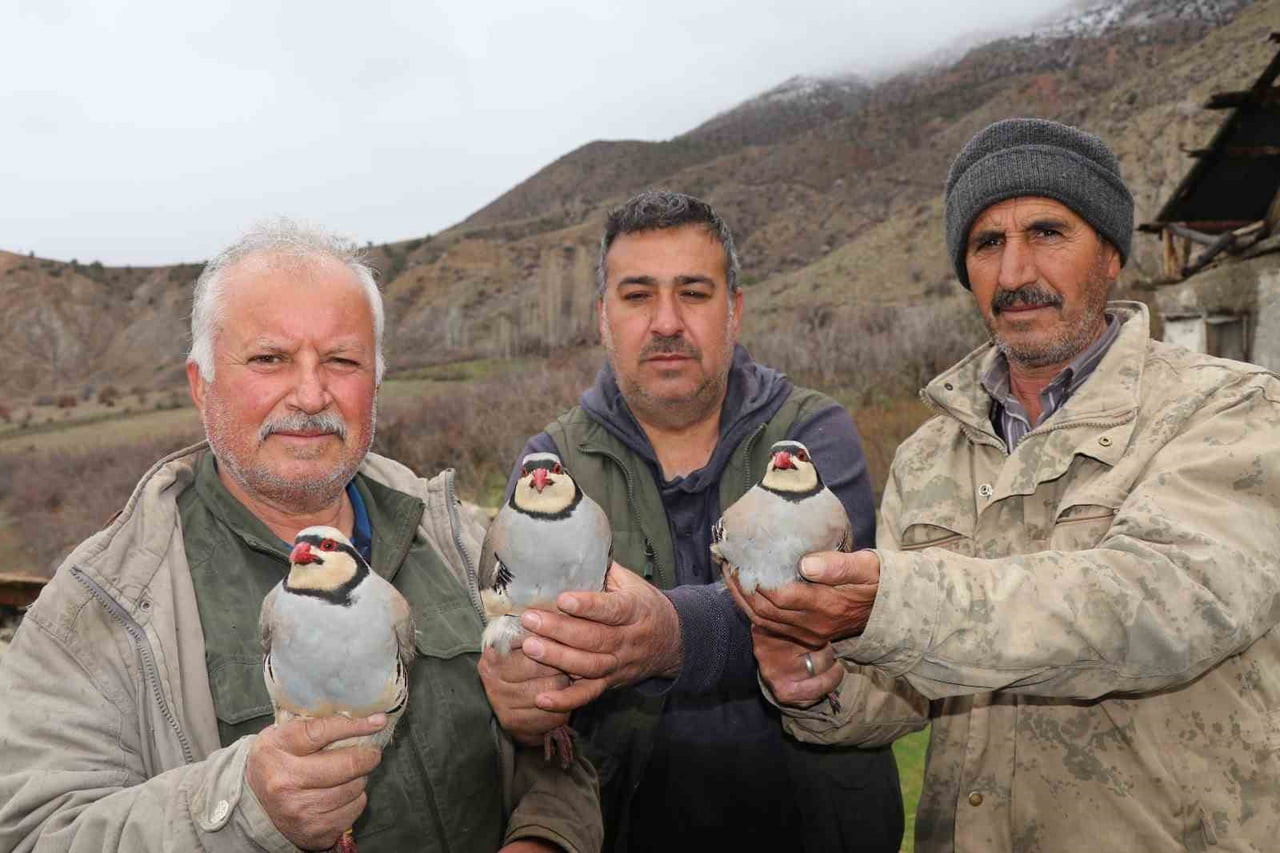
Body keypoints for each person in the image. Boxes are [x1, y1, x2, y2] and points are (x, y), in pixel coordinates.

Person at [727, 118, 1280, 851]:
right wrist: (814, 679)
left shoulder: (1231, 408)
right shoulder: (927, 455)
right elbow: (901, 695)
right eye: (987, 243)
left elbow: (1163, 605)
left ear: (1111, 254)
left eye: (1048, 232)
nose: (1015, 273)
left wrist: (891, 600)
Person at [0, 220, 601, 853]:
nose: (311, 395)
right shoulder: (101, 604)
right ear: (201, 385)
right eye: (270, 359)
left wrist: (545, 836)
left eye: (342, 361)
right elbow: (33, 836)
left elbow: (563, 750)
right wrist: (243, 810)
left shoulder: (463, 536)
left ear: (376, 382)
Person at [479, 191, 902, 851]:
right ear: (602, 316)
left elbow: (823, 607)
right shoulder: (551, 465)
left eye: (694, 293)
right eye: (638, 295)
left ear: (735, 310)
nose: (667, 322)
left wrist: (669, 634)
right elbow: (525, 650)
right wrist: (522, 698)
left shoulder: (812, 434)